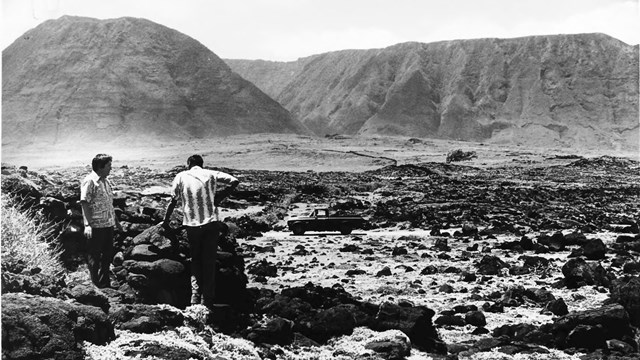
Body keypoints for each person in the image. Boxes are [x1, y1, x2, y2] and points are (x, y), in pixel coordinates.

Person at [162, 154, 239, 307]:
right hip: (211, 223)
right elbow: (234, 181)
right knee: (209, 261)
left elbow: (173, 200)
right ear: (201, 164)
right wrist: (220, 196)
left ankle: (195, 297)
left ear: (188, 163)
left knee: (196, 261)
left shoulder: (181, 176)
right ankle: (207, 300)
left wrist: (165, 220)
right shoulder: (211, 173)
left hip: (192, 224)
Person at [80, 153, 122, 288]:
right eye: (109, 165)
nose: (111, 168)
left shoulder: (106, 181)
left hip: (108, 224)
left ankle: (105, 283)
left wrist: (116, 221)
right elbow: (84, 202)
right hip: (96, 226)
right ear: (100, 166)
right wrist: (87, 224)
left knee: (107, 255)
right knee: (94, 256)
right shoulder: (90, 181)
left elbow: (109, 203)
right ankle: (95, 285)